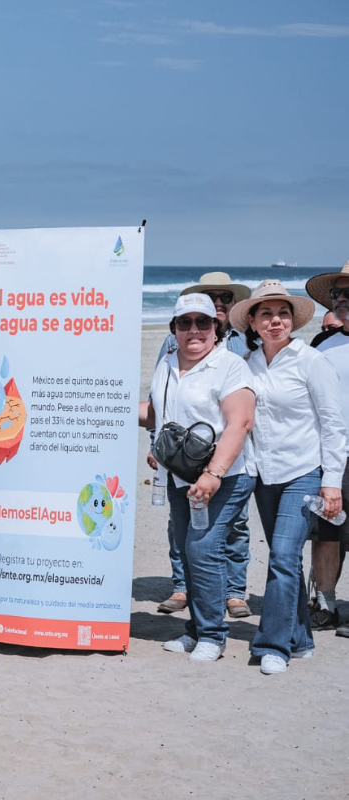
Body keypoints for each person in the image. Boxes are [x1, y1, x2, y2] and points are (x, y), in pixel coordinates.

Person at [231, 281, 344, 674]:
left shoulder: (310, 360)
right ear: (253, 322)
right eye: (266, 314)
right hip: (264, 475)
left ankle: (272, 645)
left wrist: (331, 480)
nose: (275, 321)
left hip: (304, 472)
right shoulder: (246, 363)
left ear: (292, 320)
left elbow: (333, 424)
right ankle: (300, 639)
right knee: (287, 560)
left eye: (282, 314)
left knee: (281, 556)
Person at [140, 293, 256, 663]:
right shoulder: (168, 364)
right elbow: (158, 414)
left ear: (216, 326)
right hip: (179, 477)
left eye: (203, 322)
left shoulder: (231, 366)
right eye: (184, 322)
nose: (194, 329)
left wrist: (213, 473)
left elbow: (240, 423)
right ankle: (194, 630)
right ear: (173, 329)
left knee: (203, 550)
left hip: (226, 476)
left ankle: (212, 634)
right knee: (188, 551)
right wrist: (102, 402)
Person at [306, 262, 349, 632]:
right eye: (338, 294)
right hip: (331, 456)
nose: (343, 299)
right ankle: (326, 604)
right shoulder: (321, 347)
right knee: (326, 533)